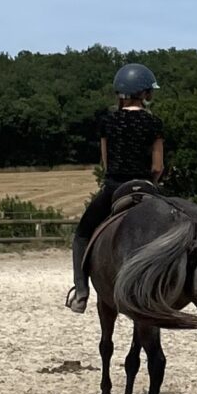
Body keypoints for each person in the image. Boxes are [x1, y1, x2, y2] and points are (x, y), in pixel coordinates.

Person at [70, 63, 165, 310]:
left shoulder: (108, 123)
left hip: (115, 190)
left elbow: (105, 162)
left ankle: (81, 293)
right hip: (146, 189)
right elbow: (157, 167)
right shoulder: (154, 123)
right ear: (145, 94)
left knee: (81, 234)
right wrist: (151, 186)